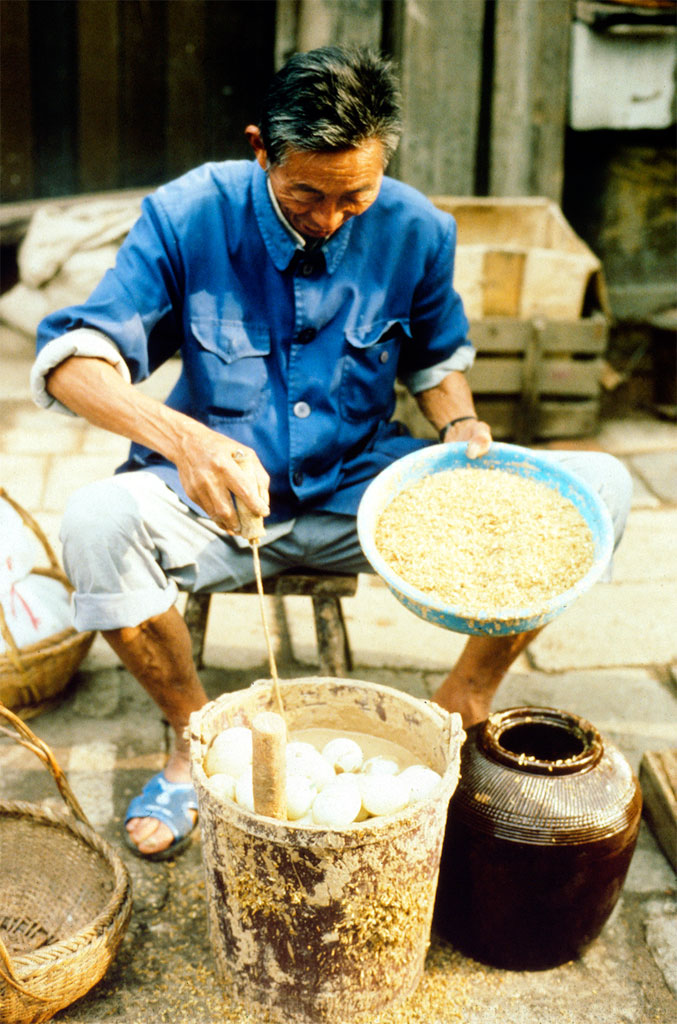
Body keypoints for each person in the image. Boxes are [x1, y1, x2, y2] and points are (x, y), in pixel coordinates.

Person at [31, 47, 631, 860]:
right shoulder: (186, 215)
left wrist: (458, 428)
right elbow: (72, 360)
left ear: (383, 164)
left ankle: (466, 697)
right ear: (259, 150)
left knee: (595, 486)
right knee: (96, 521)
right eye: (304, 194)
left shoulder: (417, 228)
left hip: (365, 494)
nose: (327, 218)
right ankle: (193, 741)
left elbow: (435, 359)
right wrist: (185, 441)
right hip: (216, 502)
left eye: (355, 196)